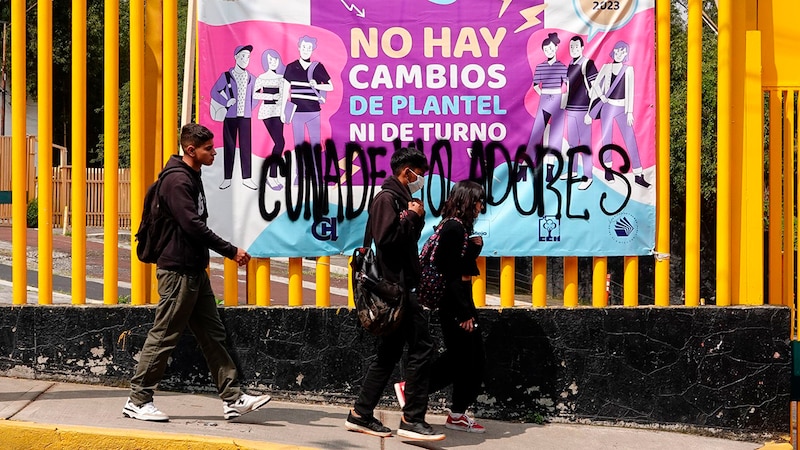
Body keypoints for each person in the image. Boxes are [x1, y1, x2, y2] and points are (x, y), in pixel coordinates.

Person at [123, 123, 271, 422]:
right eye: (207, 149)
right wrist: (231, 251)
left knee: (213, 335)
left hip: (193, 270)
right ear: (191, 150)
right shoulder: (178, 181)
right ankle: (138, 400)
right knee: (164, 335)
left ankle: (232, 399)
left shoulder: (190, 175)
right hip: (178, 270)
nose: (213, 152)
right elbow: (192, 225)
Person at [345, 146, 445, 441]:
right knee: (423, 347)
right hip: (396, 290)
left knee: (389, 354)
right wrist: (412, 217)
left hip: (400, 288)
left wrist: (414, 216)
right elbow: (387, 241)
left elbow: (401, 240)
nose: (421, 180)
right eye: (420, 175)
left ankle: (361, 413)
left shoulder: (401, 199)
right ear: (407, 172)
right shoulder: (386, 199)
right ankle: (412, 419)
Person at [400, 180, 487, 433]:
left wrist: (471, 251)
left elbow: (457, 266)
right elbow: (449, 275)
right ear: (469, 201)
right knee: (464, 359)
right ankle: (413, 389)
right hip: (454, 302)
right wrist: (464, 313)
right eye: (479, 201)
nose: (482, 207)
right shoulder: (453, 229)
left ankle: (456, 413)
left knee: (468, 358)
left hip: (458, 300)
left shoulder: (454, 228)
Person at [590, 40, 650, 188]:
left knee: (630, 140)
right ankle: (608, 169)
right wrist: (602, 96)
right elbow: (595, 84)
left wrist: (629, 112)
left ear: (626, 54)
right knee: (606, 139)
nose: (619, 54)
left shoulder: (628, 70)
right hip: (607, 106)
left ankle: (638, 173)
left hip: (622, 108)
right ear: (613, 52)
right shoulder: (606, 67)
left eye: (622, 51)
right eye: (617, 51)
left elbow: (630, 90)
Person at [210, 44, 258, 190]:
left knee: (246, 146)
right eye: (242, 56)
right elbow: (214, 92)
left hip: (245, 116)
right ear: (236, 57)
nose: (245, 59)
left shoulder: (251, 78)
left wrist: (249, 107)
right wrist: (226, 102)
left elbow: (255, 96)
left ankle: (247, 177)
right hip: (230, 115)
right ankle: (227, 178)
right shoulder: (226, 76)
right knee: (229, 146)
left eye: (248, 57)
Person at [526, 32, 567, 182]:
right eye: (546, 49)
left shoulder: (562, 66)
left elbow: (567, 85)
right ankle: (525, 167)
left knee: (555, 137)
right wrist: (543, 94)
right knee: (536, 134)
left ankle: (550, 169)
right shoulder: (541, 66)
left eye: (551, 48)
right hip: (545, 99)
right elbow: (536, 85)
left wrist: (562, 99)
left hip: (557, 99)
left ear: (556, 48)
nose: (549, 51)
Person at [284, 35, 333, 149]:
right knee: (298, 143)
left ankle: (315, 167)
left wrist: (316, 85)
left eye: (309, 48)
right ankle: (300, 167)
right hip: (296, 111)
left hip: (314, 111)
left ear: (312, 50)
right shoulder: (291, 67)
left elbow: (331, 87)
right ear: (299, 47)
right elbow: (285, 90)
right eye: (304, 47)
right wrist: (283, 111)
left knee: (315, 142)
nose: (306, 50)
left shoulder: (318, 67)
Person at [563, 36, 598, 190]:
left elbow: (595, 89)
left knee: (585, 145)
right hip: (570, 109)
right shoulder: (570, 64)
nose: (574, 49)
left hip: (583, 109)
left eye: (576, 46)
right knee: (572, 143)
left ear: (583, 47)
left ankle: (588, 176)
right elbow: (569, 87)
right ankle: (573, 171)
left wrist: (590, 113)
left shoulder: (587, 64)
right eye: (571, 46)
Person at [253, 49, 291, 190]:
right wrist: (270, 97)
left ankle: (273, 174)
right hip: (267, 112)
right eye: (270, 60)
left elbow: (285, 95)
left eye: (275, 60)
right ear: (266, 62)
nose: (273, 62)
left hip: (279, 113)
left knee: (279, 142)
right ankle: (272, 175)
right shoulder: (261, 78)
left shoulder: (282, 78)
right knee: (279, 142)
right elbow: (256, 95)